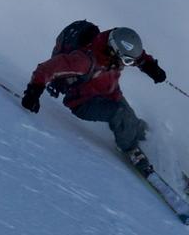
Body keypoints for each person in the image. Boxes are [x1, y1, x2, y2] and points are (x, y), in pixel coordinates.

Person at [21, 26, 167, 154]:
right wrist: (33, 92)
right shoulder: (83, 61)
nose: (129, 64)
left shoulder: (112, 44)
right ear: (114, 51)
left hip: (109, 92)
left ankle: (142, 135)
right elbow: (47, 68)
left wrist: (151, 67)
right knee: (119, 114)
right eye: (127, 61)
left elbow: (137, 56)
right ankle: (131, 149)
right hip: (84, 102)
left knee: (129, 116)